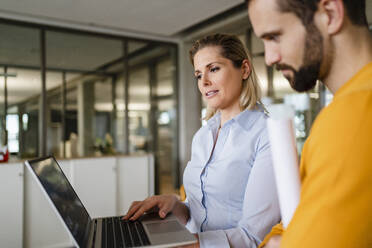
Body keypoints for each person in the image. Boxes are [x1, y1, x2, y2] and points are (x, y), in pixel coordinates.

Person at [123, 33, 280, 247]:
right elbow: (202, 209)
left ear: (244, 69)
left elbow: (255, 236)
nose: (204, 82)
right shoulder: (203, 136)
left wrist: (186, 245)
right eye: (198, 75)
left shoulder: (267, 133)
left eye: (213, 69)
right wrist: (175, 205)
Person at [245, 0, 372, 247]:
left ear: (331, 14)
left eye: (275, 37)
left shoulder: (353, 114)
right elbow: (296, 220)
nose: (270, 58)